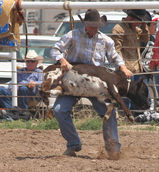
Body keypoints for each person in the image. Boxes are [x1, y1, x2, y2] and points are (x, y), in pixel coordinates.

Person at [51, 9, 132, 159]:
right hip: (74, 82)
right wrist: (62, 59)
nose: (94, 29)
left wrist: (123, 67)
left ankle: (113, 148)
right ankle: (73, 144)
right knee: (59, 110)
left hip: (96, 85)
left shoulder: (106, 41)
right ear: (85, 24)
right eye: (91, 26)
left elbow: (115, 57)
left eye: (96, 26)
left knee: (109, 112)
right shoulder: (72, 35)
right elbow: (56, 49)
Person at [111, 9, 149, 110]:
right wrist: (122, 67)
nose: (139, 23)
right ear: (132, 18)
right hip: (126, 69)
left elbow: (145, 39)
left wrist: (144, 27)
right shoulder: (118, 29)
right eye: (139, 21)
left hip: (137, 68)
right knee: (126, 95)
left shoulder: (135, 29)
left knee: (137, 94)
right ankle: (125, 115)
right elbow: (116, 51)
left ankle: (135, 115)